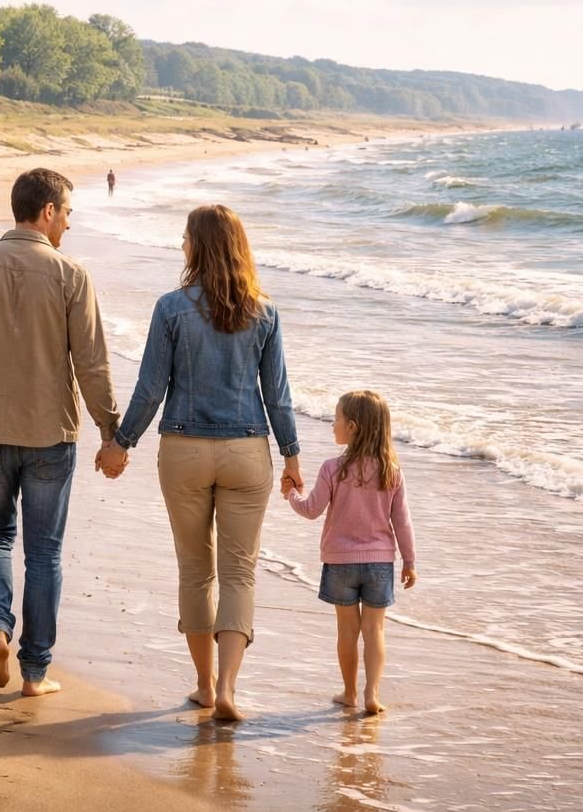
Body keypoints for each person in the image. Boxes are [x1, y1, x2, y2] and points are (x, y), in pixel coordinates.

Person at [0, 168, 125, 697]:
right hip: (49, 435)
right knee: (44, 553)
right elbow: (92, 364)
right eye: (67, 214)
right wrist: (110, 431)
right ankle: (34, 673)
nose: (69, 225)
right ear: (47, 212)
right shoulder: (71, 275)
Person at [110, 204, 301, 721]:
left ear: (199, 245)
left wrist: (121, 442)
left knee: (195, 571)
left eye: (186, 238)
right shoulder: (265, 310)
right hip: (247, 450)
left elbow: (151, 388)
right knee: (239, 573)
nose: (181, 245)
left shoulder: (171, 307)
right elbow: (277, 395)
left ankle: (204, 686)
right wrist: (292, 454)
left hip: (184, 451)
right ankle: (229, 687)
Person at [283, 390, 417, 715]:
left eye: (338, 419)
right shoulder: (391, 471)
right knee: (375, 631)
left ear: (353, 426)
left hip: (340, 562)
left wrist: (292, 494)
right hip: (380, 563)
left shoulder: (333, 468)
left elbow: (311, 510)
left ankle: (349, 693)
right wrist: (410, 561)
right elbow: (403, 522)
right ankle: (372, 694)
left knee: (347, 631)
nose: (333, 424)